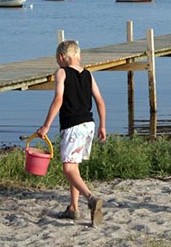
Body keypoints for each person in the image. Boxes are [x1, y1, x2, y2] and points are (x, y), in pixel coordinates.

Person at [36, 40, 107, 226]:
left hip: (72, 125)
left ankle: (91, 199)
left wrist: (45, 126)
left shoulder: (61, 72)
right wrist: (103, 126)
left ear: (61, 57)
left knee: (68, 169)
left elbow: (59, 99)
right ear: (78, 56)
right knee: (74, 166)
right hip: (89, 125)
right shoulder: (89, 75)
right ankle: (74, 208)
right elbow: (100, 101)